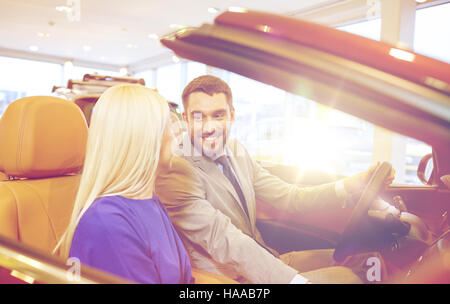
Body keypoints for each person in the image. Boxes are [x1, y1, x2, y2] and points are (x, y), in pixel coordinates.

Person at [155, 75, 394, 284]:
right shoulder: (177, 167)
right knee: (348, 278)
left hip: (267, 258)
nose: (209, 127)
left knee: (368, 261)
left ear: (232, 115)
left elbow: (290, 197)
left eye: (218, 115)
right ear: (185, 118)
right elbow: (224, 238)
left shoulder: (236, 150)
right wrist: (294, 281)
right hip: (228, 278)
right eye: (198, 117)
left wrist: (349, 185)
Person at [55, 84, 192, 284]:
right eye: (167, 126)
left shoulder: (151, 202)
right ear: (145, 139)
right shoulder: (107, 222)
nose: (175, 135)